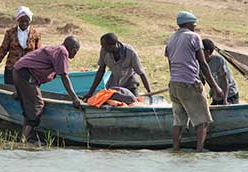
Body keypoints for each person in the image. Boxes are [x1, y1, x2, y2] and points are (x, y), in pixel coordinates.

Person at [165, 11, 224, 152]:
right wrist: (216, 87)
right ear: (188, 24)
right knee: (202, 120)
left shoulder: (171, 39)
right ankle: (199, 151)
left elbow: (170, 63)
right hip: (189, 83)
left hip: (174, 84)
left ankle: (176, 149)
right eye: (194, 25)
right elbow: (203, 64)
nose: (195, 27)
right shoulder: (194, 37)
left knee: (178, 121)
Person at [13, 37, 83, 144]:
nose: (75, 54)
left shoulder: (56, 49)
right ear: (73, 49)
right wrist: (74, 98)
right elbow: (64, 77)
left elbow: (38, 68)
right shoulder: (62, 52)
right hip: (25, 74)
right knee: (37, 106)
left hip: (20, 72)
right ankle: (23, 140)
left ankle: (24, 138)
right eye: (76, 52)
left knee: (29, 108)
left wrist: (21, 90)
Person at [83, 33, 152, 100]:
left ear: (113, 45)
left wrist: (149, 91)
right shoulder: (104, 51)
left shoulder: (130, 52)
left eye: (105, 46)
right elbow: (101, 71)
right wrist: (90, 92)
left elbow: (141, 73)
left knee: (133, 102)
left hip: (130, 83)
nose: (103, 48)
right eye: (102, 46)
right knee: (111, 103)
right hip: (114, 84)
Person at [0, 6, 41, 85]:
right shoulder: (10, 33)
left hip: (28, 70)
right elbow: (2, 51)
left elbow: (38, 53)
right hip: (11, 69)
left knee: (25, 94)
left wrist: (38, 72)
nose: (24, 23)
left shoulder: (35, 34)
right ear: (18, 20)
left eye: (26, 21)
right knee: (10, 92)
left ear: (29, 21)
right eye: (22, 21)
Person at [202, 39, 239, 105]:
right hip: (216, 95)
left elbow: (225, 80)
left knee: (228, 114)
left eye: (200, 51)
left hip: (229, 94)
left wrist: (225, 100)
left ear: (207, 52)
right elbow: (203, 82)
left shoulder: (218, 61)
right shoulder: (199, 63)